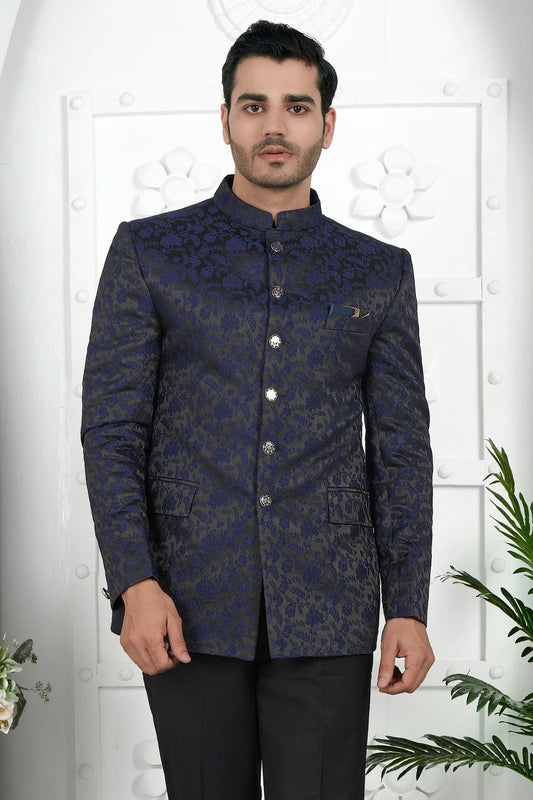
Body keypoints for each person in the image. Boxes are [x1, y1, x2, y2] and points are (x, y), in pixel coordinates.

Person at [81, 19, 434, 800]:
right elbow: (112, 430)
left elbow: (401, 446)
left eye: (296, 107)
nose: (275, 126)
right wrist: (134, 582)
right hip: (185, 603)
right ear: (225, 119)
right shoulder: (150, 252)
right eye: (254, 106)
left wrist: (407, 606)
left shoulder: (376, 271)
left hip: (330, 605)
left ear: (326, 124)